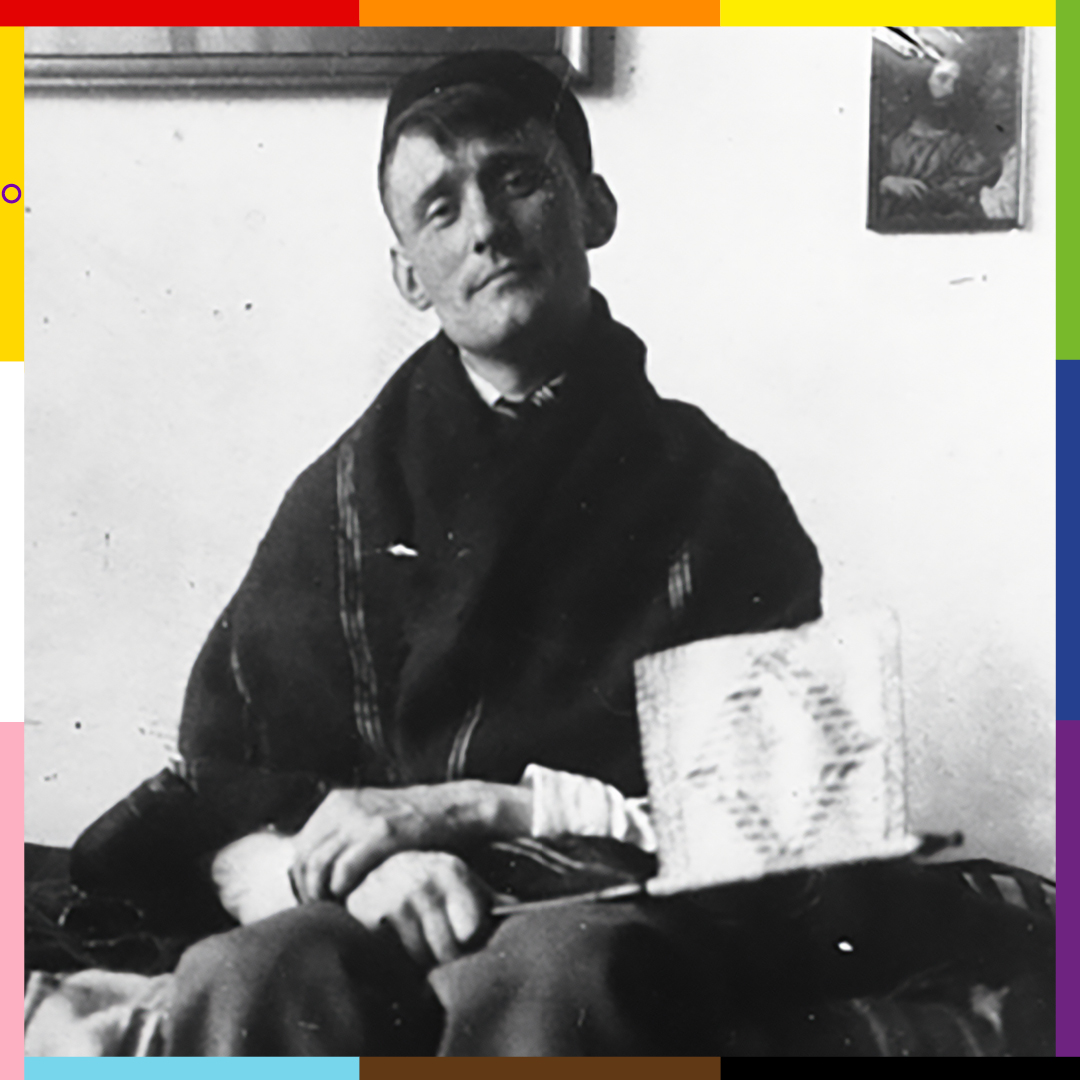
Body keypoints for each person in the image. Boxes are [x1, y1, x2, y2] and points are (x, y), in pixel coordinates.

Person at [57, 50, 1050, 1057]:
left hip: (608, 903)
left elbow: (775, 825)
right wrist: (356, 870)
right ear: (408, 273)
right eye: (439, 208)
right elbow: (230, 784)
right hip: (379, 901)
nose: (485, 225)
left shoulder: (722, 497)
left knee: (557, 975)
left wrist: (478, 809)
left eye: (518, 179)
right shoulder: (342, 501)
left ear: (596, 209)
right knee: (255, 968)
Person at [877, 57, 1001, 221]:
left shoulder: (963, 148)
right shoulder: (890, 137)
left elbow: (956, 198)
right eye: (942, 79)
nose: (949, 90)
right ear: (922, 80)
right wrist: (885, 183)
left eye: (956, 84)